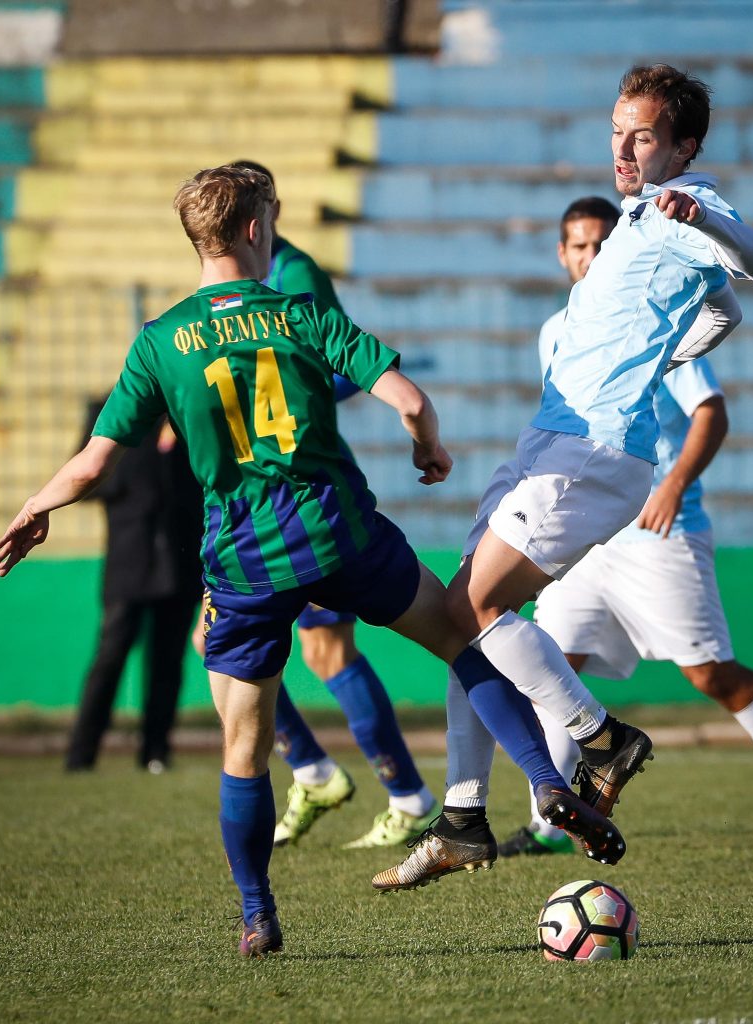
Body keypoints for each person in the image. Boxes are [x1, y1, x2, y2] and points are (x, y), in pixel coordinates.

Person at [0, 165, 620, 957]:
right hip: (338, 533)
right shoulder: (299, 313)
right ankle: (548, 781)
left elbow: (91, 464)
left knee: (244, 748)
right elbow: (410, 401)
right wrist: (428, 450)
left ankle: (257, 914)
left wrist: (36, 506)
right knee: (461, 639)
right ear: (258, 229)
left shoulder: (159, 340)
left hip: (244, 560)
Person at [373, 63, 753, 892]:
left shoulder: (685, 203)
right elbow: (723, 308)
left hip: (593, 451)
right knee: (459, 618)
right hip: (549, 440)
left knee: (475, 610)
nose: (624, 150)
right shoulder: (638, 216)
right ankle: (462, 816)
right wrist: (677, 344)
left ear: (684, 147)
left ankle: (602, 740)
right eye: (617, 132)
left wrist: (702, 217)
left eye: (643, 137)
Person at [500, 200, 753, 857]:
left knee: (710, 674)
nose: (590, 256)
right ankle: (551, 821)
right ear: (562, 255)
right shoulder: (554, 331)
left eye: (601, 243)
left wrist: (673, 484)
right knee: (549, 660)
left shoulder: (652, 314)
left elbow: (710, 410)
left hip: (656, 531)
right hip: (585, 529)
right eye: (578, 246)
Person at [230, 160, 439, 851]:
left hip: (301, 490)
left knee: (326, 650)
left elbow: (341, 365)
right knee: (285, 649)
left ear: (269, 211)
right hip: (262, 492)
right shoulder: (238, 283)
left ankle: (396, 791)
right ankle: (329, 774)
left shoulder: (294, 274)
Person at [66, 404, 202, 773]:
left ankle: (156, 751)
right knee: (110, 656)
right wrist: (144, 466)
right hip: (129, 557)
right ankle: (81, 753)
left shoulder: (189, 407)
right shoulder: (111, 409)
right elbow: (86, 477)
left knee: (167, 662)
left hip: (180, 559)